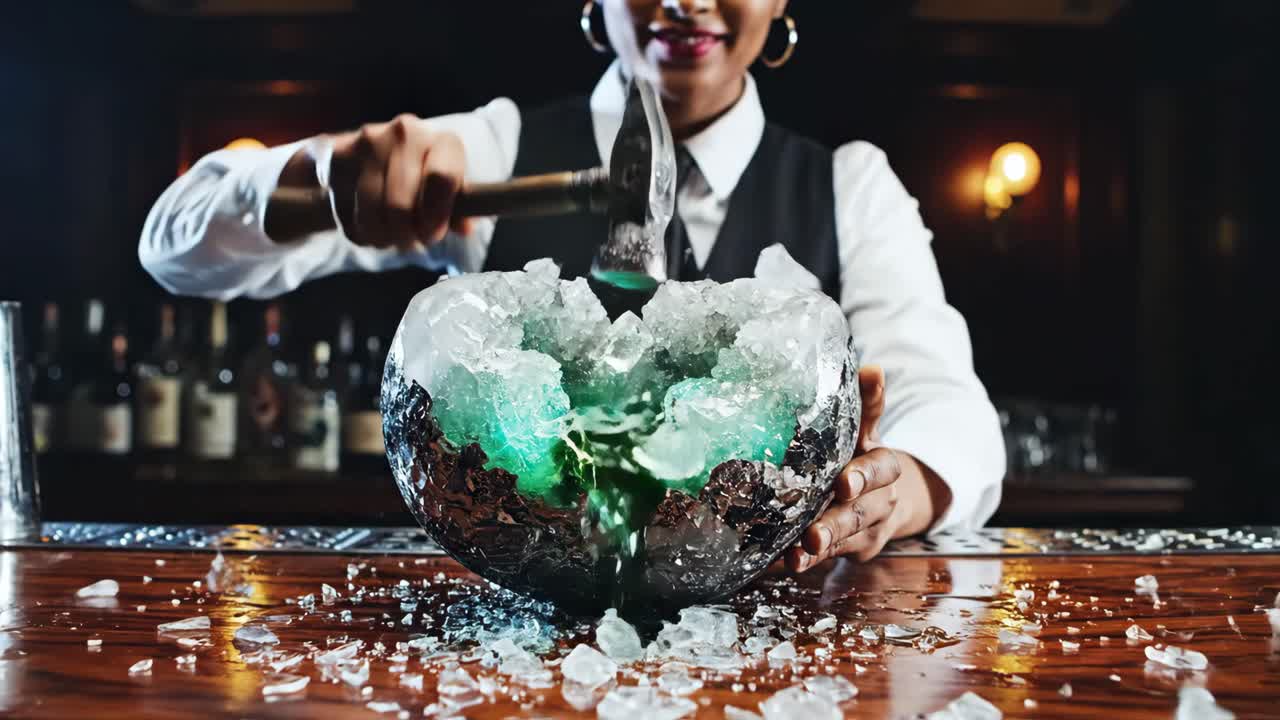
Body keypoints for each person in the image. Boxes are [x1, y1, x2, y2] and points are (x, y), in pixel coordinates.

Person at [140, 0, 1005, 571]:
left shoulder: (849, 184)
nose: (685, 0)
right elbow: (175, 243)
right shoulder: (499, 148)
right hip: (517, 636)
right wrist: (320, 174)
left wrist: (911, 483)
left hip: (780, 635)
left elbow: (948, 404)